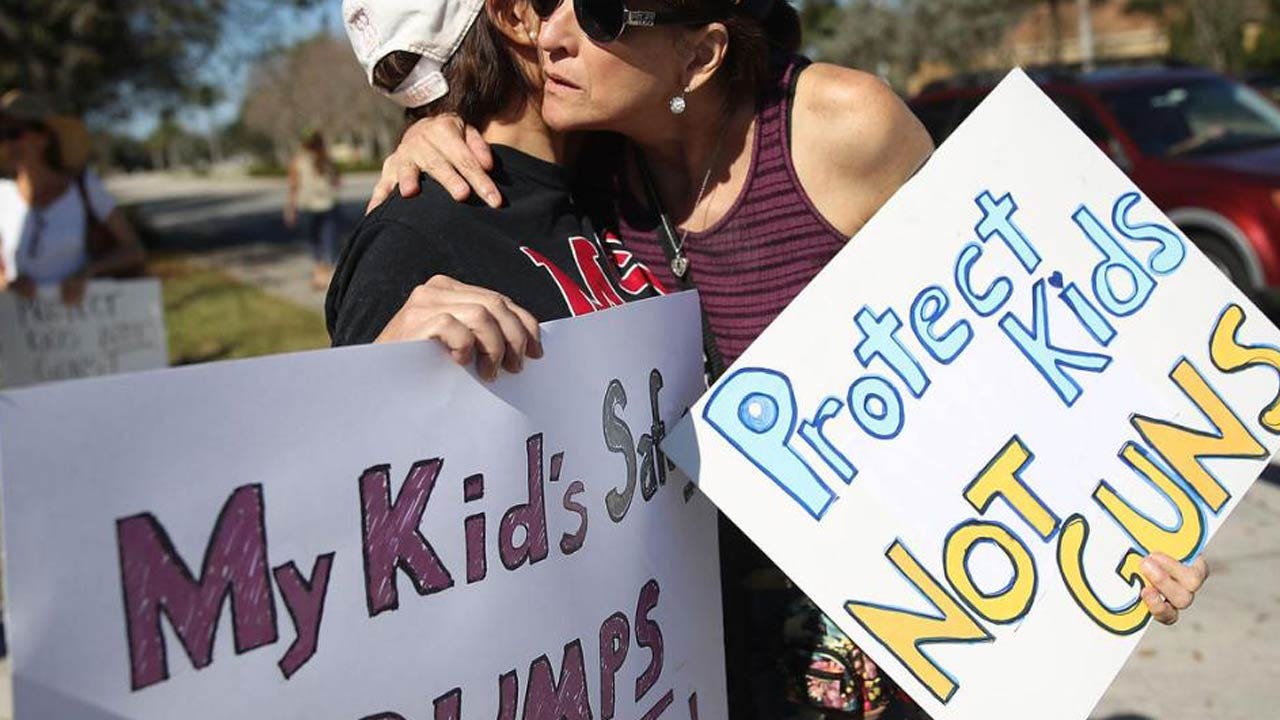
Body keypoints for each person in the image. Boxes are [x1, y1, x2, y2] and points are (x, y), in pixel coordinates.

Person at [362, 2, 1212, 718]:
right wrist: (431, 131)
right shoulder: (595, 171)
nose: (550, 35)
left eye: (596, 12)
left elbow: (1015, 333)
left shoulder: (843, 126)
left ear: (699, 54)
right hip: (708, 652)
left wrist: (1137, 508)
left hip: (900, 633)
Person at [328, 0, 665, 380]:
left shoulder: (609, 168)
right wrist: (384, 376)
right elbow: (347, 424)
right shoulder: (414, 233)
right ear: (515, 17)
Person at [0, 91, 144, 304]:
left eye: (13, 133)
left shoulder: (84, 187)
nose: (5, 143)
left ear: (44, 137)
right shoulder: (2, 194)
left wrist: (88, 273)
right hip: (21, 328)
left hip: (79, 325)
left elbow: (133, 250)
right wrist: (7, 283)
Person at [286, 129, 344, 290]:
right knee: (329, 240)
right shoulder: (327, 160)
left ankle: (320, 275)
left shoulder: (298, 161)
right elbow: (337, 182)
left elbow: (293, 186)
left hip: (307, 206)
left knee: (314, 242)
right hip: (328, 205)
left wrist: (290, 209)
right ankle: (327, 275)